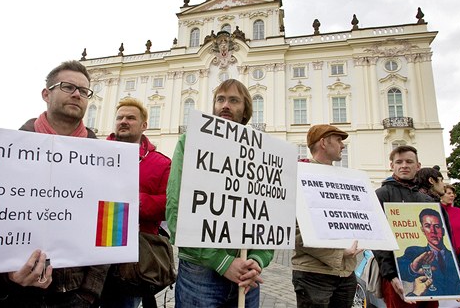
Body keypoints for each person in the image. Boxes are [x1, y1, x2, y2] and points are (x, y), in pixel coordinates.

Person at [0, 60, 109, 308]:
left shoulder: (105, 159)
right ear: (46, 94)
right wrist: (5, 276)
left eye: (84, 91)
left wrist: (89, 292)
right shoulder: (7, 148)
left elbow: (110, 226)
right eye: (68, 86)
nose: (77, 94)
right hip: (8, 291)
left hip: (72, 294)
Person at [165, 79, 273, 308]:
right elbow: (176, 207)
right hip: (200, 270)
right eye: (220, 99)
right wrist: (222, 261)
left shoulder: (262, 151)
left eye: (234, 100)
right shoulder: (190, 141)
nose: (225, 105)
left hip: (246, 273)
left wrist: (258, 258)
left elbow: (269, 213)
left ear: (245, 110)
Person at [100, 98, 171, 308]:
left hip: (133, 255)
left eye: (131, 118)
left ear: (144, 125)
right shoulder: (95, 152)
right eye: (120, 117)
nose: (124, 121)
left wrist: (132, 199)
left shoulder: (161, 162)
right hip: (93, 247)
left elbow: (169, 205)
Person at [291, 124, 362, 308]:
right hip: (314, 275)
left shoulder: (346, 180)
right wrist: (339, 253)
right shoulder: (298, 177)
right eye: (338, 140)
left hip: (346, 274)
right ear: (323, 142)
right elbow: (295, 232)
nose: (343, 145)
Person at [372, 145, 437, 308]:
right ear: (391, 166)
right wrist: (391, 275)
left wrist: (458, 277)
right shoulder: (381, 195)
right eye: (399, 162)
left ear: (418, 166)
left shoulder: (427, 200)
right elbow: (377, 238)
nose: (404, 165)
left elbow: (445, 238)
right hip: (396, 275)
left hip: (430, 274)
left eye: (409, 161)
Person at [397, 208, 460, 297]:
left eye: (436, 226)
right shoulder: (414, 251)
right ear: (423, 230)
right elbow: (397, 267)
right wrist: (412, 268)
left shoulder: (453, 256)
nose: (432, 231)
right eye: (427, 226)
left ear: (443, 231)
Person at [440, 184, 460, 258]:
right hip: (445, 256)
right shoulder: (437, 211)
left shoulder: (459, 212)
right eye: (448, 193)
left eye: (453, 193)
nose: (452, 195)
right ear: (441, 195)